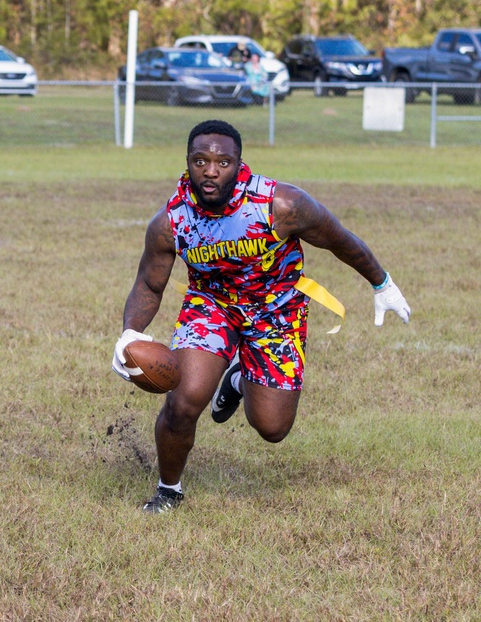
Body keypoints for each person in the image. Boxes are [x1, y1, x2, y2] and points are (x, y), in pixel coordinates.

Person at [112, 120, 410, 514]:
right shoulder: (171, 222)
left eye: (223, 161)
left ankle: (237, 377)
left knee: (272, 428)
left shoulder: (281, 205)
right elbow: (150, 286)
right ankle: (169, 489)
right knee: (183, 402)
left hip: (278, 309)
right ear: (188, 162)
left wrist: (382, 284)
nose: (211, 170)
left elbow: (339, 238)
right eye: (200, 161)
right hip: (212, 305)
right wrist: (129, 334)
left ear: (239, 164)